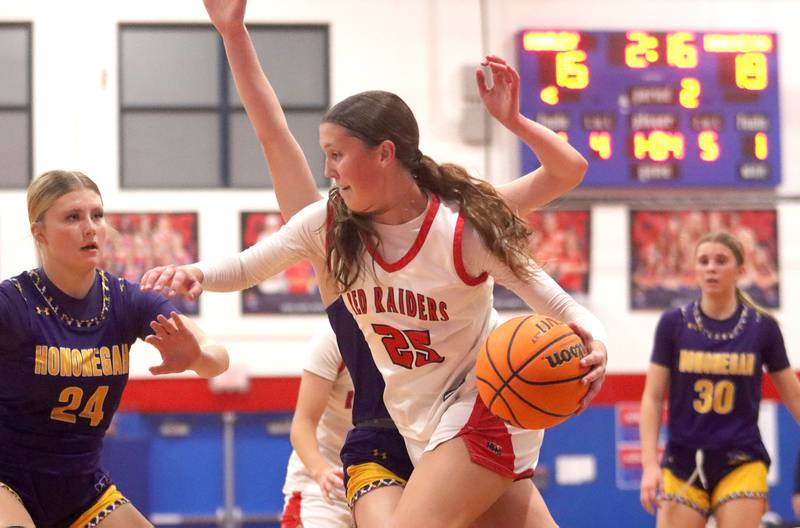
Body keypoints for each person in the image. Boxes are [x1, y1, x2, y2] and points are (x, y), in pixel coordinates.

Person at [143, 2, 609, 527]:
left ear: (385, 153)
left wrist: (595, 340)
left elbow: (561, 278)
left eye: (338, 156)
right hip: (391, 426)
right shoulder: (325, 226)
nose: (328, 170)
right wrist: (197, 274)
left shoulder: (459, 224)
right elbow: (250, 259)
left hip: (475, 403)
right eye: (326, 157)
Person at [0, 170, 230, 528]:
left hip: (81, 488)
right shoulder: (13, 303)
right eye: (73, 218)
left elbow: (218, 357)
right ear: (39, 232)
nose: (90, 227)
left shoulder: (126, 300)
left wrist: (197, 358)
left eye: (97, 215)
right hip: (7, 481)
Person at [639, 231, 800, 528]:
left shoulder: (762, 327)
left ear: (740, 271)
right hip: (682, 459)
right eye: (703, 261)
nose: (711, 267)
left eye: (720, 260)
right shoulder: (673, 323)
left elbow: (794, 395)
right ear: (695, 270)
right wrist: (649, 465)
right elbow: (652, 397)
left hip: (740, 458)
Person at [281, 327, 353, 528]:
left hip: (385, 479)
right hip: (327, 478)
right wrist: (320, 470)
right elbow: (303, 424)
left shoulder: (410, 333)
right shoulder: (334, 337)